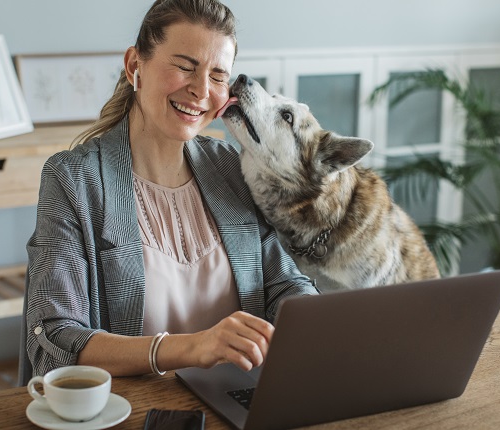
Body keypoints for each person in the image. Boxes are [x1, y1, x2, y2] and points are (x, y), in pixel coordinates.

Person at [18, 0, 318, 384]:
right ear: (134, 66)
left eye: (217, 75)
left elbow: (284, 283)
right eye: (184, 67)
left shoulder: (232, 166)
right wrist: (191, 347)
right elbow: (55, 340)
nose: (200, 90)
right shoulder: (74, 180)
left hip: (239, 402)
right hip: (133, 410)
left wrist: (312, 315)